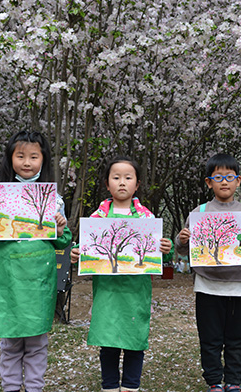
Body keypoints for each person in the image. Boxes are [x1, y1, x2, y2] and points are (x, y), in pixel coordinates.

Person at [0, 131, 71, 392]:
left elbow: (63, 240)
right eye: (20, 156)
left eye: (34, 156)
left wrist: (60, 227)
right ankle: (10, 387)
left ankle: (35, 388)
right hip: (8, 275)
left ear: (43, 160)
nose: (27, 162)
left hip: (38, 276)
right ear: (10, 158)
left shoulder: (53, 199)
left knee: (37, 341)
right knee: (10, 341)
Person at [175, 153, 241, 392]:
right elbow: (183, 249)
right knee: (210, 339)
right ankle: (214, 381)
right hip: (207, 285)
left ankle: (233, 381)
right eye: (218, 177)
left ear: (238, 181)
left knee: (236, 339)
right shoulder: (199, 212)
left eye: (229, 177)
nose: (224, 181)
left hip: (240, 285)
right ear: (208, 182)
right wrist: (182, 240)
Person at [70, 155, 172, 392]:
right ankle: (109, 386)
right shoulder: (98, 218)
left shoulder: (146, 217)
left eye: (128, 177)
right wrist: (77, 254)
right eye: (116, 178)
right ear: (107, 184)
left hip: (136, 290)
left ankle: (130, 386)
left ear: (137, 185)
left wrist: (165, 249)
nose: (122, 182)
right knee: (108, 340)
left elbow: (158, 256)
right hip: (107, 291)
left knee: (135, 340)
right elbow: (86, 248)